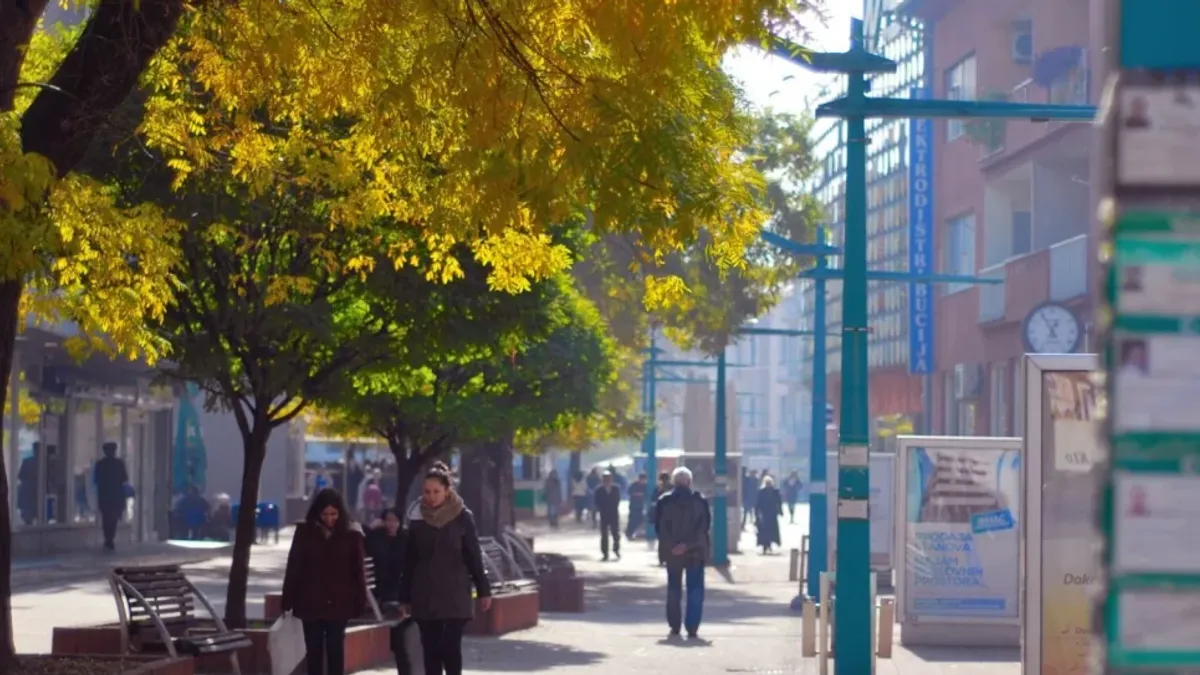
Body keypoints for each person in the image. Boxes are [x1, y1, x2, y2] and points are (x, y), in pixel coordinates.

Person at [399, 466, 492, 675]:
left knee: (450, 648)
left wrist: (483, 589)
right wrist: (404, 597)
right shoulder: (417, 519)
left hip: (454, 593)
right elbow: (410, 560)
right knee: (430, 649)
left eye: (436, 491)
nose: (431, 497)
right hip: (425, 593)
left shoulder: (462, 517)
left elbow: (473, 555)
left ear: (447, 491)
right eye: (427, 492)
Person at [281, 488, 368, 675]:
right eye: (325, 514)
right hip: (309, 600)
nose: (329, 519)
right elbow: (294, 566)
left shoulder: (351, 533)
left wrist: (360, 601)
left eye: (333, 514)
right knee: (313, 650)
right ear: (317, 512)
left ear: (340, 512)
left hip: (339, 601)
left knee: (335, 648)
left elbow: (358, 571)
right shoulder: (305, 531)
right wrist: (287, 599)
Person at [655, 467, 711, 640]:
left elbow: (660, 528)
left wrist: (674, 546)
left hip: (672, 553)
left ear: (674, 481)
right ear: (689, 481)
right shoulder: (700, 501)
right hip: (695, 552)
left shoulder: (664, 501)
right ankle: (692, 627)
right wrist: (687, 545)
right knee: (695, 590)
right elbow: (703, 528)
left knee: (674, 589)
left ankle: (674, 626)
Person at [366, 508, 406, 607]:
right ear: (383, 521)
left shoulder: (405, 538)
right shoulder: (377, 536)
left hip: (398, 580)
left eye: (395, 520)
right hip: (379, 579)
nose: (392, 523)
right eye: (389, 520)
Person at [94, 442, 129, 552]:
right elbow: (124, 478)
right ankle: (110, 539)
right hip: (115, 496)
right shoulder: (119, 464)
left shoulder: (100, 464)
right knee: (113, 519)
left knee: (106, 518)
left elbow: (96, 479)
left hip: (105, 496)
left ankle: (108, 539)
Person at [593, 471, 622, 561]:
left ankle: (616, 549)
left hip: (613, 514)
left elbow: (617, 500)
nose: (607, 481)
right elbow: (597, 502)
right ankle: (605, 553)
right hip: (604, 514)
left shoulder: (616, 488)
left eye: (608, 479)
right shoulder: (599, 490)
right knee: (604, 535)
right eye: (605, 479)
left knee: (615, 534)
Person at [755, 476, 783, 554]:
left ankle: (769, 544)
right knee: (764, 531)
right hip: (764, 514)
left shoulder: (775, 492)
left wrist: (780, 511)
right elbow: (758, 503)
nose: (768, 485)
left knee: (771, 531)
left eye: (769, 483)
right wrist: (757, 513)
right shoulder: (761, 492)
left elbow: (779, 502)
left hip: (772, 514)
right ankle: (765, 545)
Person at [17, 444, 39, 527]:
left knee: (28, 511)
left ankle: (28, 523)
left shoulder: (27, 461)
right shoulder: (43, 462)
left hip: (28, 490)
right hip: (35, 489)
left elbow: (20, 476)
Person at [625, 473, 648, 540]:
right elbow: (629, 492)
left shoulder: (645, 486)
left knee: (640, 519)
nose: (643, 481)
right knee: (632, 519)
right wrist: (636, 494)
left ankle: (632, 532)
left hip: (640, 505)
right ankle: (629, 532)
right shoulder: (634, 485)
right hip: (633, 505)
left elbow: (646, 494)